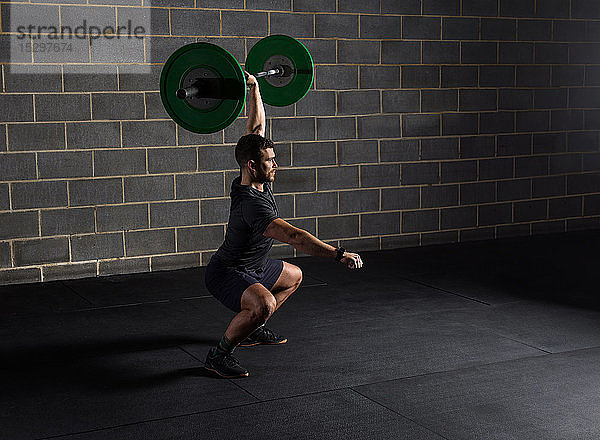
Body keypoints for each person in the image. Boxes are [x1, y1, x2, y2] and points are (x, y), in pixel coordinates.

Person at [204, 73, 363, 378]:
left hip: (256, 265)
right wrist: (338, 254)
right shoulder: (251, 203)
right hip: (226, 273)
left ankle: (252, 328)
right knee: (263, 304)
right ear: (252, 165)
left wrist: (255, 89)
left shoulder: (253, 175)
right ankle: (219, 354)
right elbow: (294, 237)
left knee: (294, 276)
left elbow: (255, 128)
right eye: (270, 161)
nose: (276, 165)